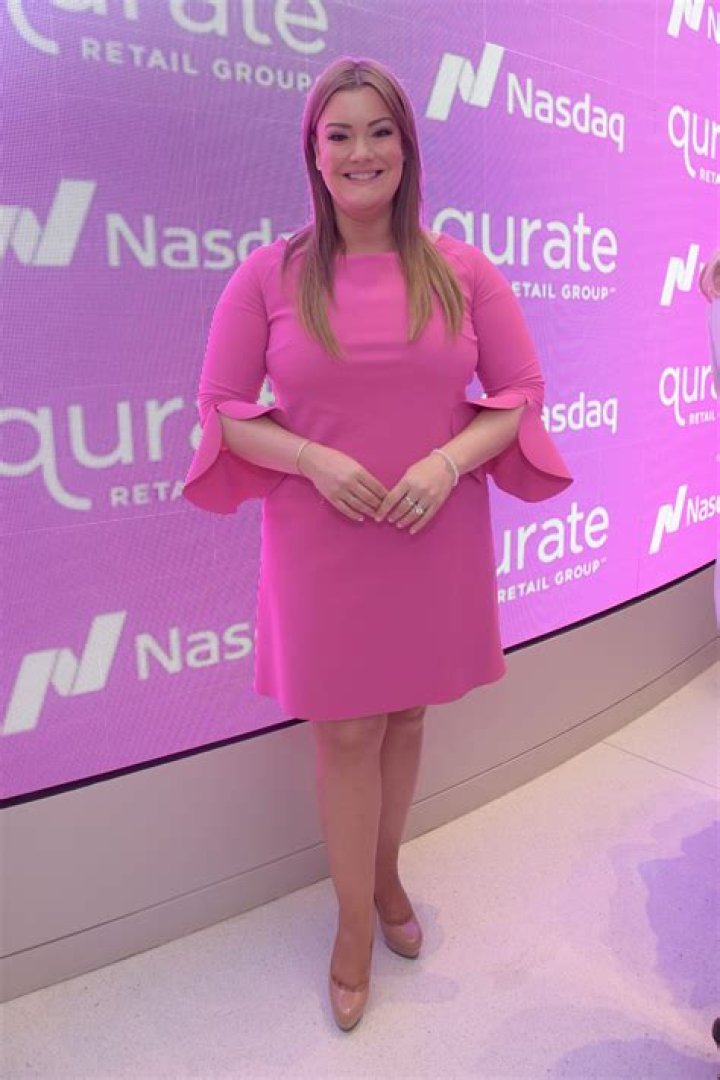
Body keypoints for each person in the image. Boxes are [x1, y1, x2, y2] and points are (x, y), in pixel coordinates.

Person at [182, 56, 573, 1031]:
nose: (362, 152)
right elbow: (222, 410)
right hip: (321, 541)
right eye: (341, 134)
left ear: (408, 146)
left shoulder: (463, 270)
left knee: (404, 720)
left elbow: (521, 394)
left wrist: (447, 462)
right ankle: (353, 923)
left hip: (431, 531)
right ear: (313, 155)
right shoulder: (269, 275)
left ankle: (387, 876)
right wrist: (311, 458)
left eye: (380, 131)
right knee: (347, 730)